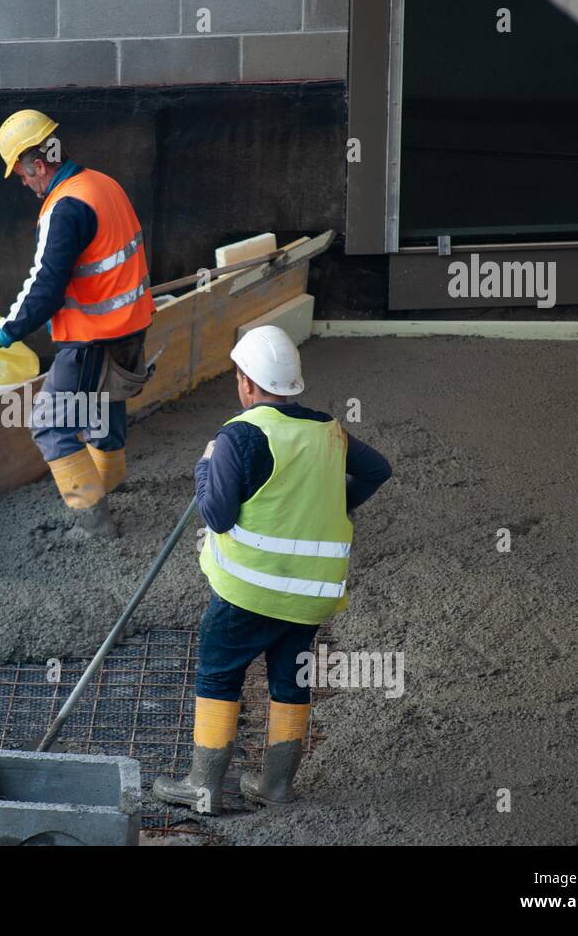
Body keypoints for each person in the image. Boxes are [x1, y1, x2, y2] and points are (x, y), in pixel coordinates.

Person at [153, 325, 392, 814]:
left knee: (219, 677)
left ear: (245, 382)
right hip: (309, 595)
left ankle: (202, 788)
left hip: (248, 591)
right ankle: (276, 785)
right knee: (291, 679)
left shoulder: (238, 436)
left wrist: (205, 466)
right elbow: (377, 470)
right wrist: (335, 503)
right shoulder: (329, 428)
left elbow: (217, 515)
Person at [0, 109, 154, 537]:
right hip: (130, 325)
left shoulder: (64, 207)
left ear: (39, 163)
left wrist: (4, 333)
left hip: (94, 337)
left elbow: (45, 286)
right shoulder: (102, 184)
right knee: (103, 408)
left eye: (22, 173)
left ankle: (93, 523)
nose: (24, 183)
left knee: (51, 423)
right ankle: (110, 486)